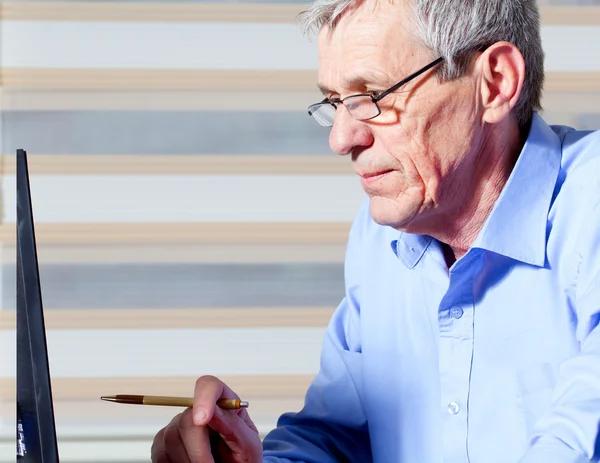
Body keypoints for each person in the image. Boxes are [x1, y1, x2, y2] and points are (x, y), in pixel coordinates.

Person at [151, 0, 600, 461]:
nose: (340, 139)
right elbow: (338, 436)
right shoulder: (380, 236)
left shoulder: (590, 206)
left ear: (495, 83)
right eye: (334, 102)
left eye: (372, 96)